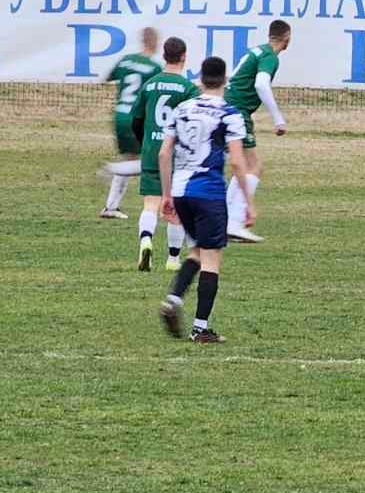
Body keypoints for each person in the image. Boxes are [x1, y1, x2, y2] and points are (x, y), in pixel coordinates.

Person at [158, 56, 254, 344]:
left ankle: (173, 299)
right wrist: (248, 201)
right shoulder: (229, 113)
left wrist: (166, 195)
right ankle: (200, 329)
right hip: (208, 191)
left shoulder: (183, 108)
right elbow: (237, 162)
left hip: (180, 190)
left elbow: (164, 154)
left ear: (200, 78)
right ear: (225, 80)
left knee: (197, 251)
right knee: (212, 258)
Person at [129, 36, 198, 272]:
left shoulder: (150, 84)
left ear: (164, 56)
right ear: (183, 56)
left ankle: (146, 239)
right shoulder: (189, 88)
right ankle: (172, 259)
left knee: (150, 204)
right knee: (175, 208)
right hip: (175, 154)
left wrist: (145, 142)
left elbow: (135, 119)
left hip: (151, 151)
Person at [223, 18, 291, 243]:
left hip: (228, 108)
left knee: (241, 165)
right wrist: (278, 119)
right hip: (237, 111)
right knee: (254, 166)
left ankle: (225, 220)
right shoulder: (270, 56)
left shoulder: (257, 51)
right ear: (287, 38)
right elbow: (261, 84)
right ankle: (234, 222)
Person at [99, 27, 162, 219]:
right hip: (136, 118)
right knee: (155, 160)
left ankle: (111, 207)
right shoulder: (155, 68)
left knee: (131, 158)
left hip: (119, 115)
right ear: (155, 43)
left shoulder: (126, 60)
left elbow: (106, 78)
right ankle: (112, 170)